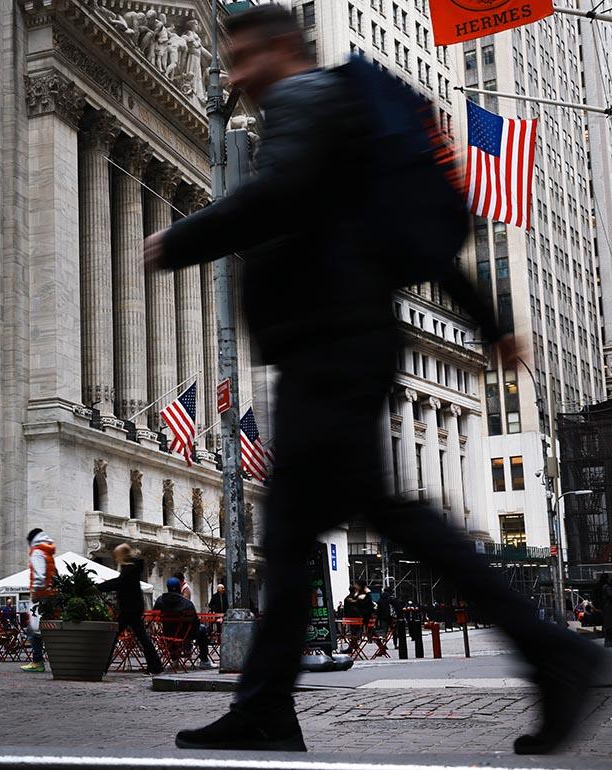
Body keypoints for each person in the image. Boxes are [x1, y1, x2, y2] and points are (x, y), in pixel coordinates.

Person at [145, 5, 604, 754]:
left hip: (330, 347)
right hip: (335, 346)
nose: (233, 79)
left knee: (377, 522)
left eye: (240, 60)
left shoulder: (302, 101)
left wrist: (185, 236)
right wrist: (487, 323)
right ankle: (265, 708)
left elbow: (281, 196)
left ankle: (556, 651)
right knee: (297, 537)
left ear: (280, 50)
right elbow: (411, 240)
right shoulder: (338, 112)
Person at [97, 544, 163, 675]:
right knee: (141, 637)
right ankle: (155, 665)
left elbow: (119, 583)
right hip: (133, 607)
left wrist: (99, 586)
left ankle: (102, 666)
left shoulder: (129, 568)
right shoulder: (132, 567)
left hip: (129, 608)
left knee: (117, 636)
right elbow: (120, 582)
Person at [153, 577, 211, 669]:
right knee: (202, 628)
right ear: (179, 588)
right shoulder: (187, 603)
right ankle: (204, 660)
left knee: (170, 631)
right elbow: (195, 622)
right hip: (186, 634)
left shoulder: (160, 601)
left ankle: (174, 660)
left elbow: (154, 614)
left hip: (167, 633)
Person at [21, 528, 56, 673]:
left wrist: (36, 592)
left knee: (33, 630)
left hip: (41, 596)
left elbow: (40, 575)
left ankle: (37, 661)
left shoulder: (37, 552)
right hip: (50, 594)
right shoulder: (48, 551)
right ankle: (42, 659)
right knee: (46, 629)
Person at [601, 574, 612, 648]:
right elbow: (610, 594)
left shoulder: (606, 587)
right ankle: (608, 642)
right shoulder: (607, 587)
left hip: (608, 608)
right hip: (608, 609)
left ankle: (608, 641)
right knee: (608, 626)